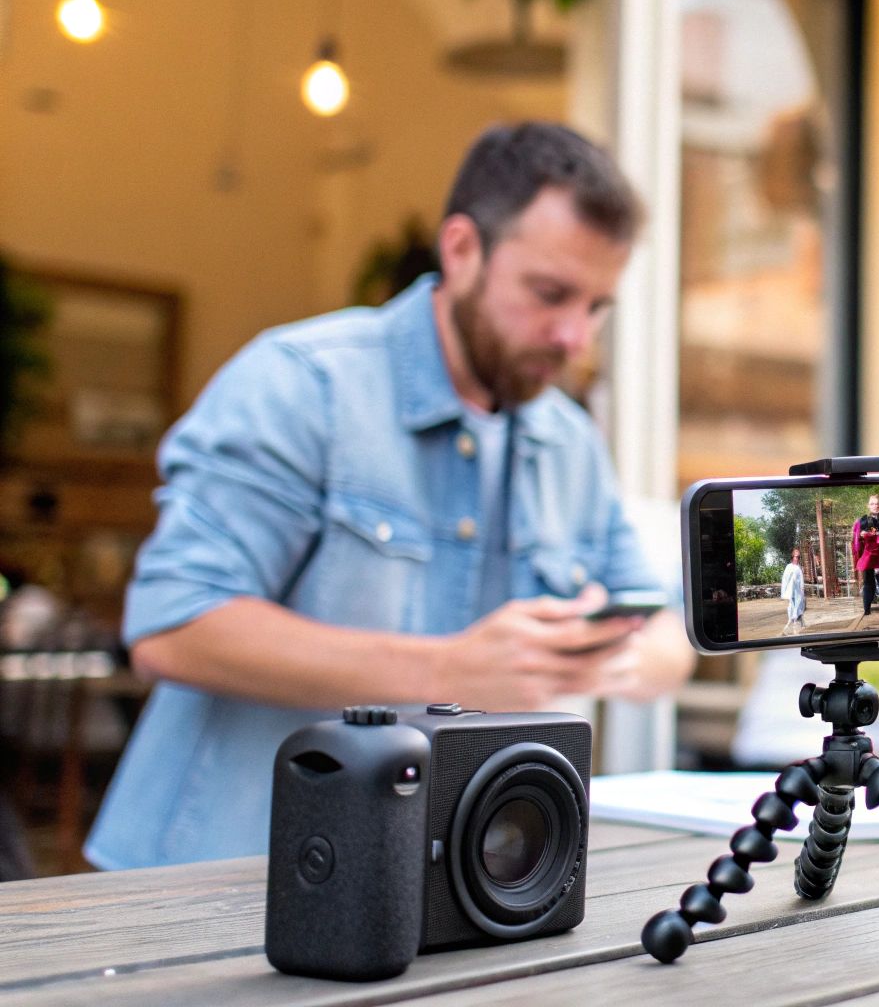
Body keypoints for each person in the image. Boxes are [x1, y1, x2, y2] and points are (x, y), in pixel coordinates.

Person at [85, 123, 696, 870]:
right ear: (462, 249)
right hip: (215, 891)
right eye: (549, 294)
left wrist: (613, 660)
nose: (574, 337)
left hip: (435, 892)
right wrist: (449, 671)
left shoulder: (569, 442)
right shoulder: (302, 384)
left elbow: (666, 635)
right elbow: (172, 626)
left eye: (598, 306)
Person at [779, 549, 806, 636]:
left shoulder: (799, 568)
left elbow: (801, 580)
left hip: (798, 592)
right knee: (792, 608)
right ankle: (791, 628)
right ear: (792, 557)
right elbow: (785, 579)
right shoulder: (789, 567)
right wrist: (784, 592)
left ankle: (790, 628)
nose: (797, 559)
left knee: (797, 609)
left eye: (798, 557)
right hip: (791, 592)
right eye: (796, 557)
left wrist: (802, 590)